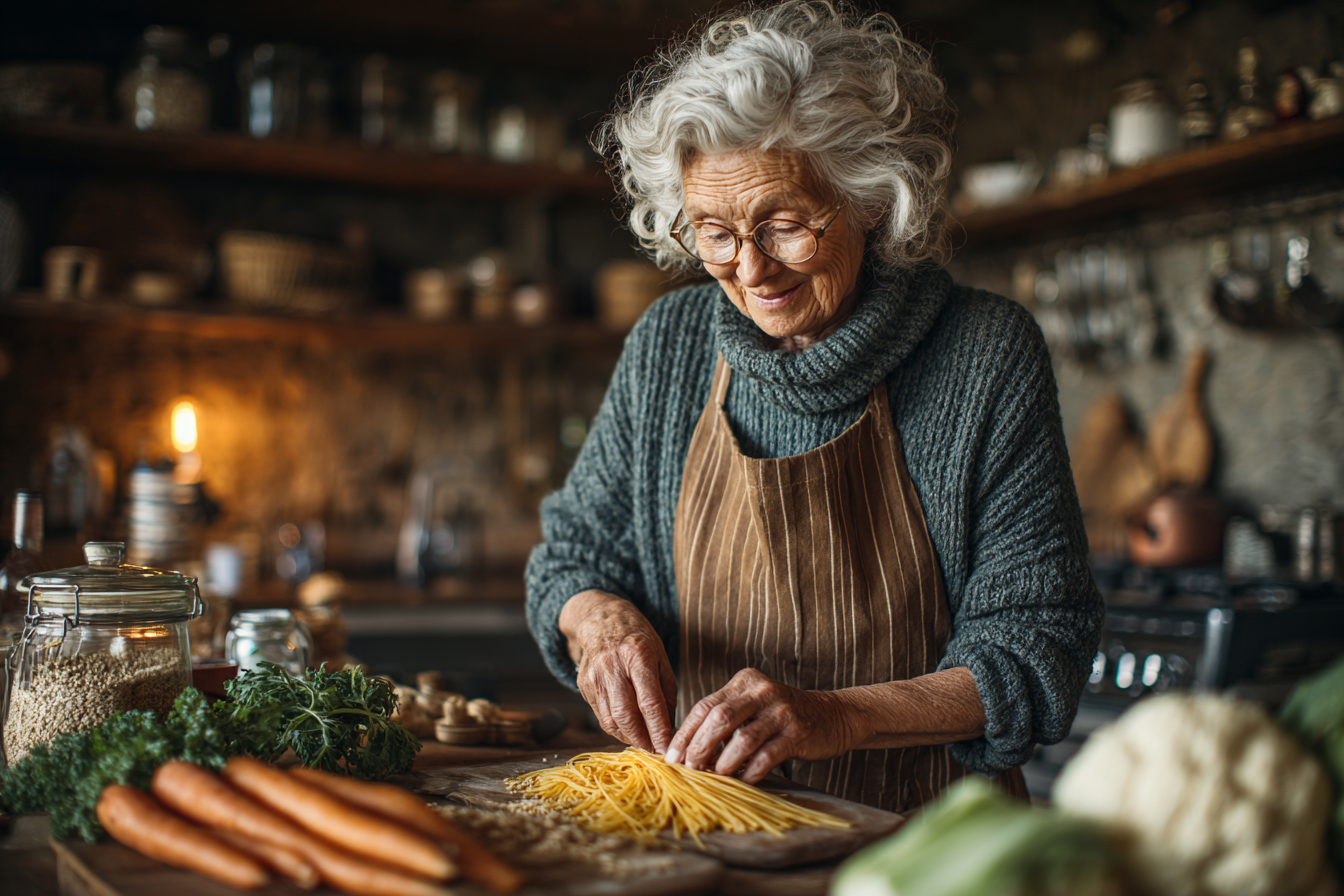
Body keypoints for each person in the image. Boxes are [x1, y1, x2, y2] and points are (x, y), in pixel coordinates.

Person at [526, 0, 1102, 812]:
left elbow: (1037, 645)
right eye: (714, 233)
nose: (750, 268)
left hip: (922, 842)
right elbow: (571, 556)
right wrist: (599, 623)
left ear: (872, 199)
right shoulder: (670, 344)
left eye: (784, 224)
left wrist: (833, 716)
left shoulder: (982, 353)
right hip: (704, 833)